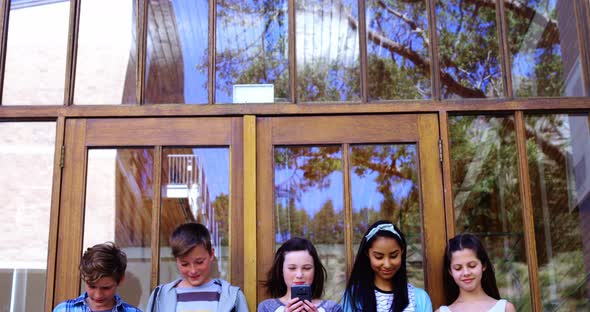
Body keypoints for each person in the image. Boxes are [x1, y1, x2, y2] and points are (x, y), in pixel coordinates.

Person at [146, 222, 248, 312]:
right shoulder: (160, 297)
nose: (193, 270)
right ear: (176, 260)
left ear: (211, 254)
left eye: (199, 262)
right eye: (185, 264)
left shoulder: (233, 297)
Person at [342, 220, 432, 312]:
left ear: (402, 251)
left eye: (393, 256)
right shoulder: (354, 297)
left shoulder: (420, 298)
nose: (387, 264)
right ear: (367, 254)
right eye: (378, 257)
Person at [257, 237, 342, 312]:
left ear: (315, 270)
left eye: (307, 268)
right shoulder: (266, 308)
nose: (299, 275)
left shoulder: (332, 308)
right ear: (281, 271)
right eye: (292, 268)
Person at [436, 233, 516, 312]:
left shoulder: (505, 308)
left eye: (472, 265)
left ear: (483, 265)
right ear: (450, 271)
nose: (466, 273)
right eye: (458, 268)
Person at [52, 242, 141, 312]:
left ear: (121, 279)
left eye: (106, 288)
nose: (98, 295)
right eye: (92, 286)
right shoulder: (63, 310)